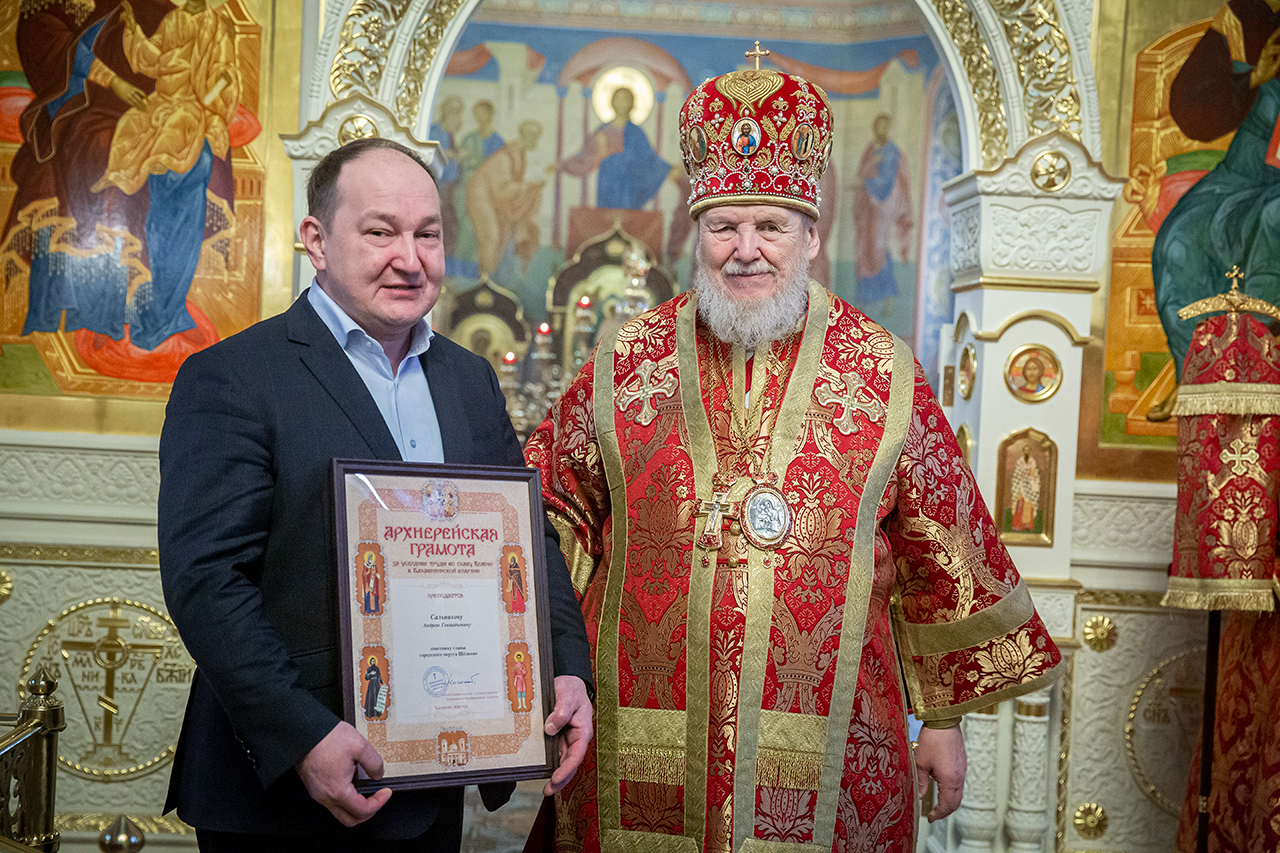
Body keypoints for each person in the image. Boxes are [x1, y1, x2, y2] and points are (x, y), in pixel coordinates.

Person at [524, 53, 1062, 851]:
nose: (745, 249)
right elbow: (543, 512)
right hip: (642, 719)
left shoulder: (881, 371)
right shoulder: (623, 361)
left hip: (837, 735)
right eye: (723, 227)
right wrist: (543, 666)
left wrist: (944, 722)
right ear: (697, 234)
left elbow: (941, 549)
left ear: (811, 236)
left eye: (770, 226)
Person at [158, 137, 593, 852]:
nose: (410, 258)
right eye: (380, 232)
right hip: (283, 795)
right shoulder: (233, 377)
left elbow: (528, 541)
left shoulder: (469, 380)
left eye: (428, 235)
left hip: (433, 786)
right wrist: (304, 734)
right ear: (317, 241)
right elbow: (207, 581)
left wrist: (566, 669)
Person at [1149, 0, 1280, 419]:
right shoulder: (1246, 15)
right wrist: (1254, 79)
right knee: (1180, 240)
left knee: (1273, 223)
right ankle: (1195, 374)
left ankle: (1247, 375)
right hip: (1246, 168)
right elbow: (1194, 111)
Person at [853, 113, 913, 312]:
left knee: (878, 248)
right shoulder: (870, 150)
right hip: (868, 208)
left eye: (885, 126)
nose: (882, 130)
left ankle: (889, 298)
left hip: (882, 206)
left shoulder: (891, 151)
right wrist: (866, 176)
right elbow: (861, 172)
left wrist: (867, 182)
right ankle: (862, 300)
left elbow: (886, 181)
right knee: (863, 249)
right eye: (879, 126)